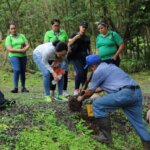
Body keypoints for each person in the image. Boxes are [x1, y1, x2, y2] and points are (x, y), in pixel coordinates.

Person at [77, 54, 150, 149]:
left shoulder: (98, 71)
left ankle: (106, 137)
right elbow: (103, 87)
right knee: (138, 123)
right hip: (136, 92)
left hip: (124, 94)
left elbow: (90, 92)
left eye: (90, 68)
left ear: (93, 66)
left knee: (98, 105)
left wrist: (80, 98)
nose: (91, 70)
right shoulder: (111, 67)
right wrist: (89, 91)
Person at [44, 19, 69, 97]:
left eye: (58, 25)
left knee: (63, 72)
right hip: (53, 56)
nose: (56, 27)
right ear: (52, 26)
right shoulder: (48, 33)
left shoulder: (63, 32)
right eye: (55, 25)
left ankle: (63, 91)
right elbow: (46, 44)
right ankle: (52, 91)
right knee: (53, 72)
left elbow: (67, 42)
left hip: (63, 55)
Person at [5, 22, 29, 93]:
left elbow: (27, 45)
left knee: (22, 71)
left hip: (23, 56)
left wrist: (25, 49)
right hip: (14, 56)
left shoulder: (22, 36)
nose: (13, 30)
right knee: (17, 70)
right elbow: (9, 49)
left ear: (16, 28)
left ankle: (23, 87)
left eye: (14, 28)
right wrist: (20, 50)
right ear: (9, 30)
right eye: (11, 29)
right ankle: (15, 87)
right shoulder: (8, 38)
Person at [68, 21, 91, 95]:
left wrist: (91, 57)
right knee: (79, 72)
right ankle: (76, 89)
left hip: (85, 57)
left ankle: (84, 91)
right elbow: (69, 43)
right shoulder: (74, 35)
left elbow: (89, 48)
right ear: (80, 27)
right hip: (75, 57)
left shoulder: (87, 38)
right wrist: (76, 37)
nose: (84, 28)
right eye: (83, 27)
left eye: (85, 27)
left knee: (84, 74)